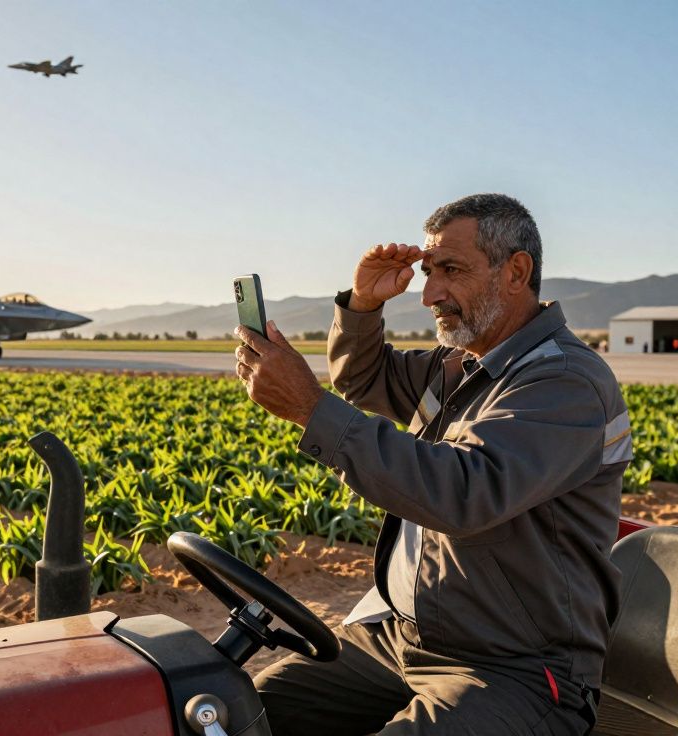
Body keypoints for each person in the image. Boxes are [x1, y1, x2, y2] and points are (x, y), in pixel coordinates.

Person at [233, 193, 630, 735]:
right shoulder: (460, 366)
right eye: (428, 272)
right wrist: (363, 305)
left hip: (513, 667)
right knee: (242, 711)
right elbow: (364, 379)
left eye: (451, 271)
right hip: (402, 639)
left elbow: (464, 493)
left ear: (516, 272)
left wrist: (309, 408)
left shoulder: (564, 381)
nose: (429, 294)